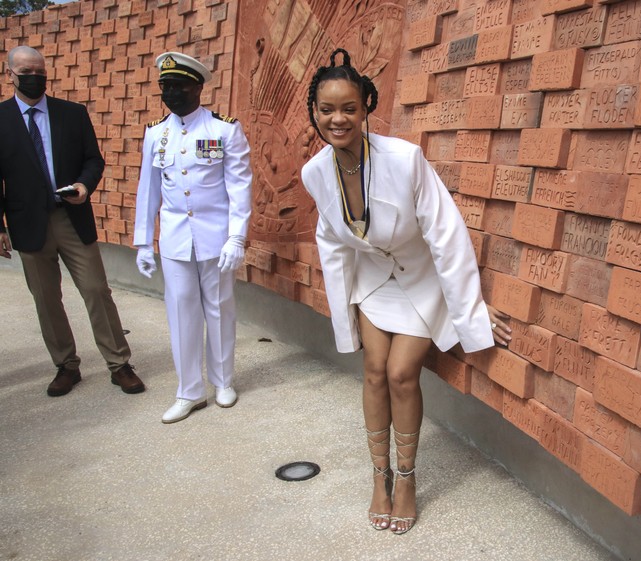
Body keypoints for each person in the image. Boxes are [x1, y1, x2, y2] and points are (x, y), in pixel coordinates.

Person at [301, 49, 511, 535]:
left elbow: (447, 234)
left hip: (423, 279)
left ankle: (409, 480)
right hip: (374, 282)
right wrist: (343, 320)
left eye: (349, 108)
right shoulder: (315, 173)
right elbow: (331, 242)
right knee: (373, 371)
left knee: (400, 372)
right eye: (327, 109)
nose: (338, 119)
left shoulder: (404, 159)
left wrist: (470, 307)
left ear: (366, 107)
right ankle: (380, 479)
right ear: (314, 110)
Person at [0, 45, 145, 397]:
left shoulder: (72, 114)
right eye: (26, 72)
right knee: (46, 299)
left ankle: (119, 363)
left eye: (39, 72)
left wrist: (84, 184)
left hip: (71, 216)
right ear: (10, 75)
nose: (34, 78)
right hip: (27, 222)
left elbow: (93, 160)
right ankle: (66, 366)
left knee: (96, 289)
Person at [133, 52, 252, 424]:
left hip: (215, 238)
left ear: (198, 86)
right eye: (165, 87)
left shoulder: (223, 129)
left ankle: (222, 382)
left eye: (179, 86)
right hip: (174, 240)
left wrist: (237, 237)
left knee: (219, 308)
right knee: (181, 312)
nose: (171, 93)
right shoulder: (156, 134)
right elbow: (147, 190)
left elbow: (239, 187)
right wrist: (142, 242)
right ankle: (189, 391)